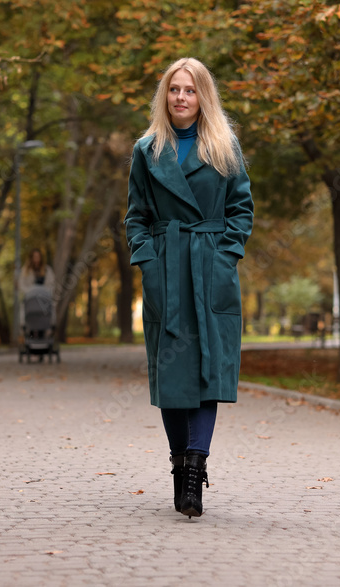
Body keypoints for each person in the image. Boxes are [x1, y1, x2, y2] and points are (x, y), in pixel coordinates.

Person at [125, 57, 254, 519]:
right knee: (172, 376)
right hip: (166, 270)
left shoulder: (223, 146)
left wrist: (225, 256)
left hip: (210, 269)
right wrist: (148, 262)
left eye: (190, 89)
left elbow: (241, 209)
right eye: (175, 89)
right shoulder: (147, 150)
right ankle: (179, 467)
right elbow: (136, 216)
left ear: (203, 97)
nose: (181, 97)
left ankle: (195, 472)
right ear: (165, 95)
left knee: (206, 374)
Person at [19, 249, 56, 337]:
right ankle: (25, 328)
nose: (36, 258)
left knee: (51, 307)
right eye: (34, 256)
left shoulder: (47, 270)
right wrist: (30, 292)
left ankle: (50, 327)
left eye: (38, 256)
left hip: (44, 298)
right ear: (31, 258)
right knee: (24, 309)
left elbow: (52, 284)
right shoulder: (25, 270)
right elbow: (21, 285)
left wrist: (46, 293)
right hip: (30, 298)